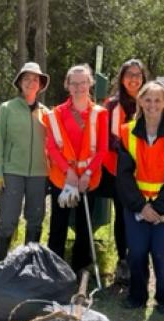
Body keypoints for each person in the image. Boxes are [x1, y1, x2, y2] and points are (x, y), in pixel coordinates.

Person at [116, 81, 164, 315]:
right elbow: (124, 175)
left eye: (157, 100)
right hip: (136, 206)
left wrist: (157, 208)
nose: (152, 105)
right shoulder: (127, 131)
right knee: (137, 252)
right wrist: (141, 207)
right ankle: (137, 295)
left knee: (163, 252)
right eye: (147, 100)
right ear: (140, 101)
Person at [43, 64, 109, 273]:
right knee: (58, 224)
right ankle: (55, 267)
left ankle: (81, 267)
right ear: (67, 85)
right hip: (61, 178)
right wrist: (68, 172)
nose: (79, 87)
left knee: (84, 225)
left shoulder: (100, 114)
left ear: (90, 84)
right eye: (74, 83)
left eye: (83, 82)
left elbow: (103, 149)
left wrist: (87, 174)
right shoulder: (55, 114)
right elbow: (51, 147)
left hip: (89, 178)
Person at [0, 62, 51, 261]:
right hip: (12, 172)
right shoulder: (7, 108)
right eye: (27, 79)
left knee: (35, 219)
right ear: (20, 82)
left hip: (39, 173)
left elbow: (53, 145)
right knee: (8, 219)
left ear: (40, 84)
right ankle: (2, 262)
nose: (31, 83)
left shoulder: (47, 113)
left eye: (35, 79)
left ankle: (29, 262)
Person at [100, 59, 146, 285]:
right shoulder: (111, 105)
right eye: (129, 74)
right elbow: (107, 140)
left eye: (138, 74)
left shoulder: (151, 101)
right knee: (123, 215)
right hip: (119, 171)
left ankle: (141, 260)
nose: (134, 79)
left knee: (144, 215)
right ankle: (123, 260)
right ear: (122, 78)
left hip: (148, 171)